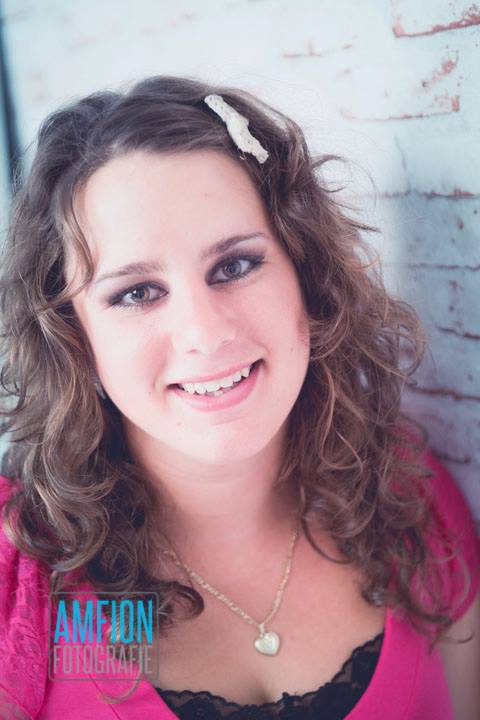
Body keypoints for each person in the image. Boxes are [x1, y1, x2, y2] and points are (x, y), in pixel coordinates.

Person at [0, 75, 478, 720]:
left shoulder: (409, 502)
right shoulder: (24, 570)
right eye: (136, 293)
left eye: (235, 265)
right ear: (73, 338)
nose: (206, 333)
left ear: (308, 276)